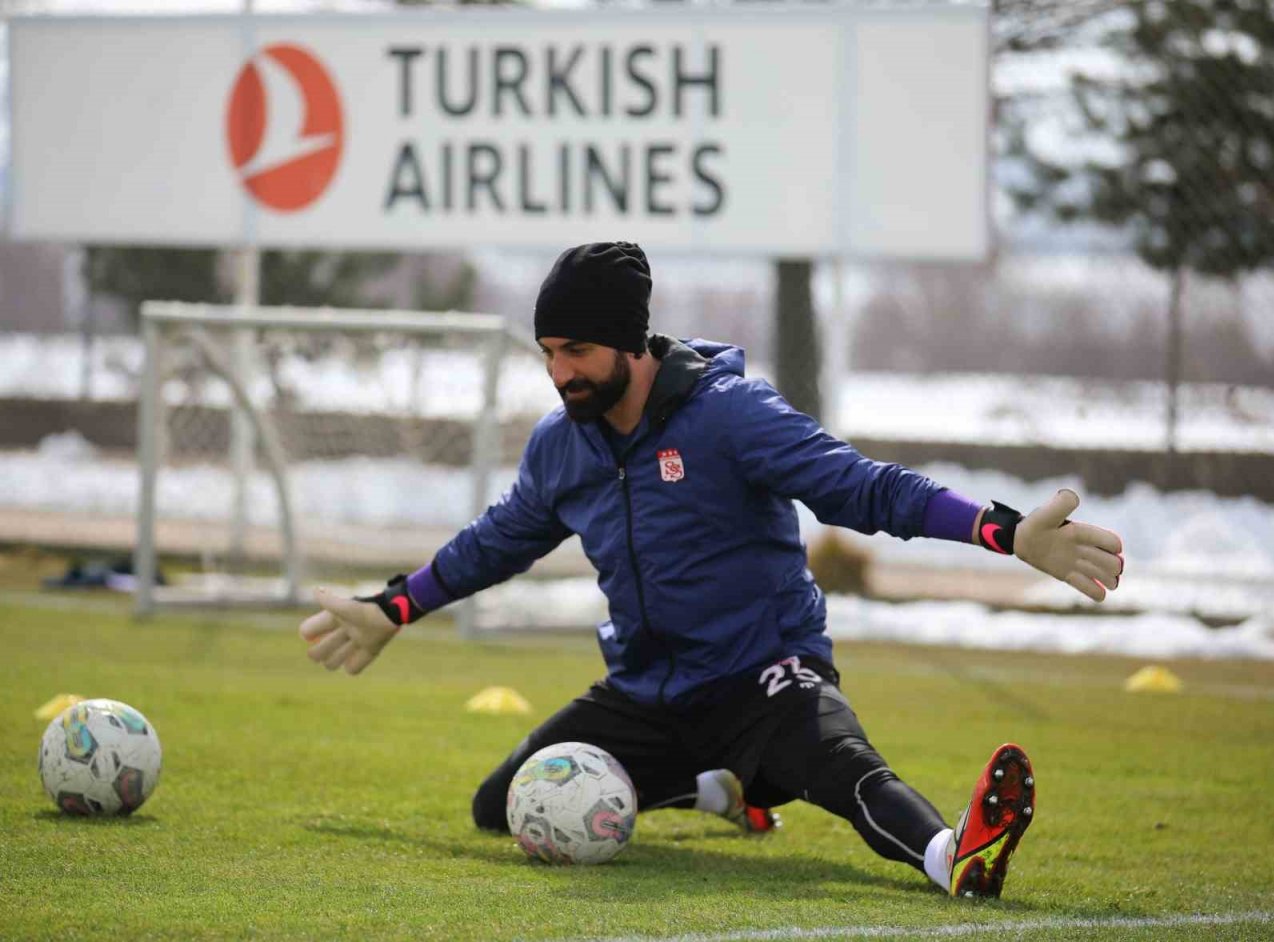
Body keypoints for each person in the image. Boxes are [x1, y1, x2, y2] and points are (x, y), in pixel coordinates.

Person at [300, 241, 1124, 898]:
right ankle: (721, 791)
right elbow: (500, 538)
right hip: (646, 693)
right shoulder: (564, 443)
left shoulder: (732, 415)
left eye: (577, 350)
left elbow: (863, 488)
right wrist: (393, 607)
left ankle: (955, 856)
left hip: (761, 673)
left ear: (629, 339)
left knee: (844, 770)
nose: (560, 374)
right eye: (548, 352)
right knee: (503, 805)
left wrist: (1003, 531)